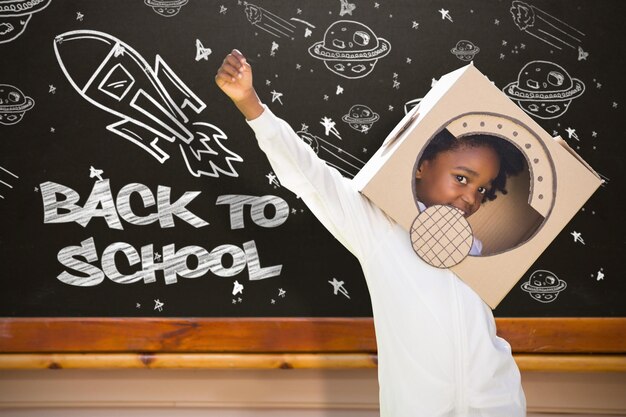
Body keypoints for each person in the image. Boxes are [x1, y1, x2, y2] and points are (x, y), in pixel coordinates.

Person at [215, 49, 526, 417]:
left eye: (483, 190)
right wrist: (251, 104)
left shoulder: (478, 249)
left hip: (498, 404)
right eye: (461, 178)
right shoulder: (380, 229)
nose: (471, 197)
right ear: (422, 166)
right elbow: (311, 178)